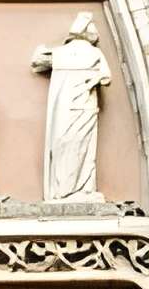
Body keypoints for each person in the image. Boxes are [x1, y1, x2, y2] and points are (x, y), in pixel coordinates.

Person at [31, 11, 112, 199]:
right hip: (68, 109)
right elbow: (38, 61)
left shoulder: (94, 53)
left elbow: (106, 76)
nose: (96, 31)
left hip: (85, 108)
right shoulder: (65, 53)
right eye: (92, 26)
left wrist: (94, 80)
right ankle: (64, 190)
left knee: (80, 145)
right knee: (66, 144)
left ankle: (82, 188)